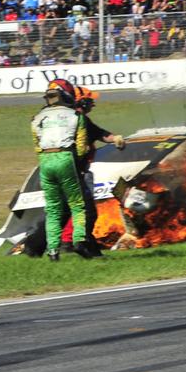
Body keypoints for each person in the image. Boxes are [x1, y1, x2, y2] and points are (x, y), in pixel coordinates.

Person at [57, 86, 125, 255]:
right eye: (90, 100)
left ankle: (65, 242)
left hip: (61, 170)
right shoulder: (78, 119)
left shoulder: (68, 119)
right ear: (81, 101)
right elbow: (97, 133)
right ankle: (76, 242)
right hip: (76, 171)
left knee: (68, 208)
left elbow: (99, 133)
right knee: (85, 210)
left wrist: (114, 138)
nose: (93, 104)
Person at [30, 79, 93, 261]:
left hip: (45, 161)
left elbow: (37, 145)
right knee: (77, 205)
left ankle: (52, 251)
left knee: (53, 208)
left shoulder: (37, 118)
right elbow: (81, 148)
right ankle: (79, 240)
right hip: (65, 158)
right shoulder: (76, 116)